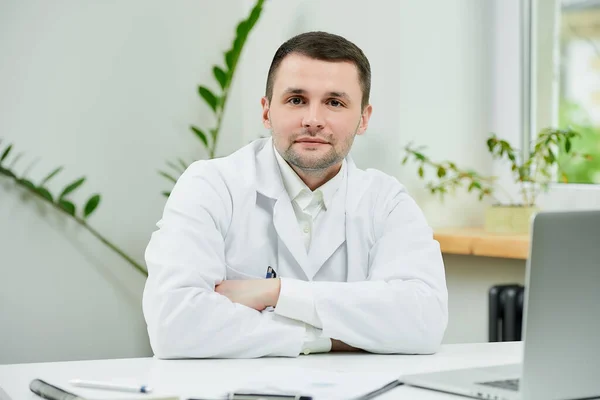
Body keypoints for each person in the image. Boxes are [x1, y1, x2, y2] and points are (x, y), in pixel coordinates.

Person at [142, 31, 448, 358]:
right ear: (266, 111)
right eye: (296, 100)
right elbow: (173, 326)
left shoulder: (386, 202)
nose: (313, 120)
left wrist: (276, 293)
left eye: (334, 102)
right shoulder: (211, 186)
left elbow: (423, 322)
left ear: (363, 118)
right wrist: (328, 337)